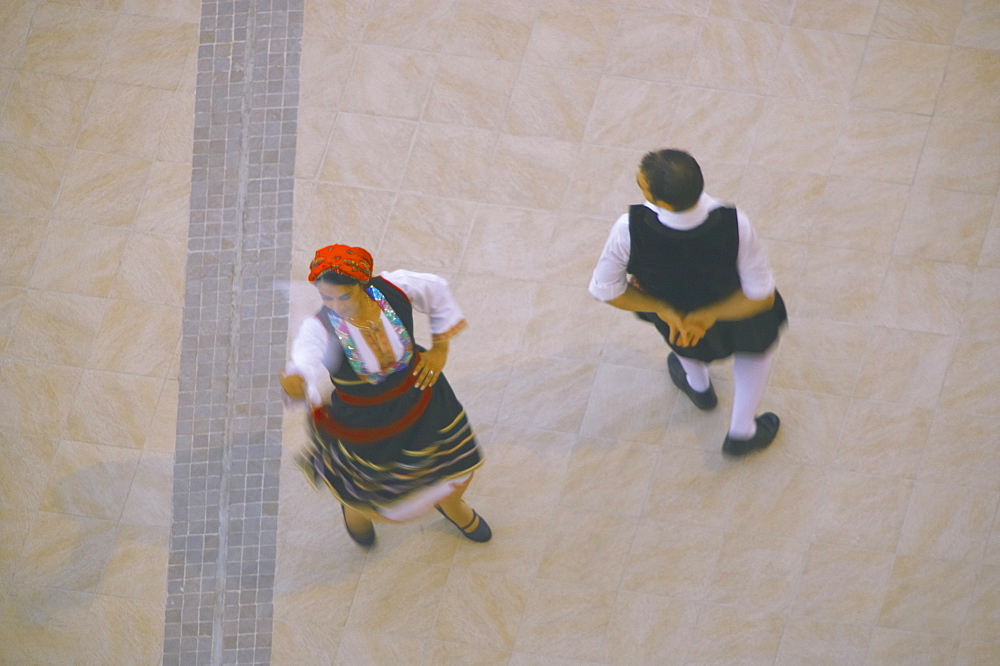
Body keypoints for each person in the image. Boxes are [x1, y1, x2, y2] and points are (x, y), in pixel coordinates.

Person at [280, 244, 491, 546]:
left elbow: (437, 290)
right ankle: (355, 511)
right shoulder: (319, 329)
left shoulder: (395, 288)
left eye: (345, 296)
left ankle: (453, 506)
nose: (336, 306)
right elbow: (305, 359)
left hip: (422, 398)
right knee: (369, 487)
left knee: (449, 464)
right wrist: (297, 381)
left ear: (362, 285)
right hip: (368, 423)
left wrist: (440, 350)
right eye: (327, 298)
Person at [589, 149, 787, 455]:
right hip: (739, 313)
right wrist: (709, 315)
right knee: (755, 353)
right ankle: (742, 431)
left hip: (676, 317)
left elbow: (607, 290)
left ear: (662, 202)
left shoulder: (628, 230)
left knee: (683, 340)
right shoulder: (735, 223)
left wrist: (663, 309)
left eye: (642, 187)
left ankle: (699, 388)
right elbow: (760, 296)